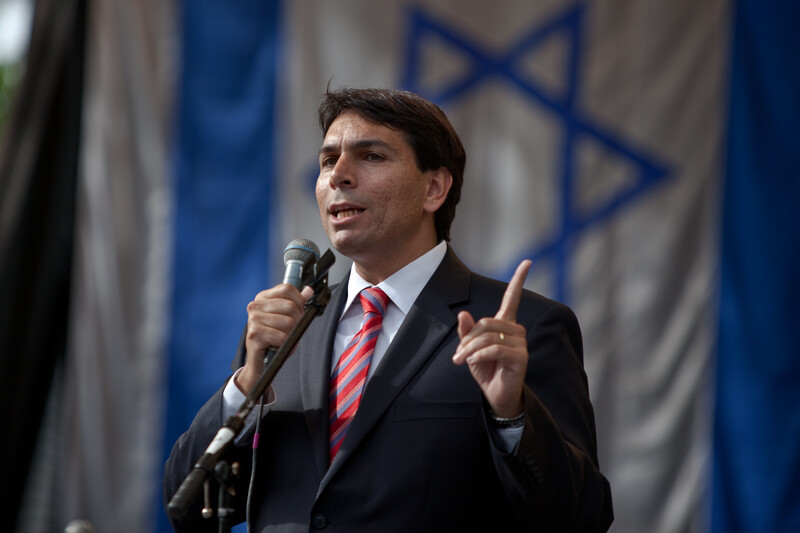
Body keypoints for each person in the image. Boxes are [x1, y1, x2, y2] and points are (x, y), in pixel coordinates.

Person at [164, 87, 613, 532]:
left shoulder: (519, 327)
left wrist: (512, 415)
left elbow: (581, 517)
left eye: (371, 156)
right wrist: (244, 387)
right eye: (327, 160)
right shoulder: (286, 329)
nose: (338, 175)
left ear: (434, 188)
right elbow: (184, 506)